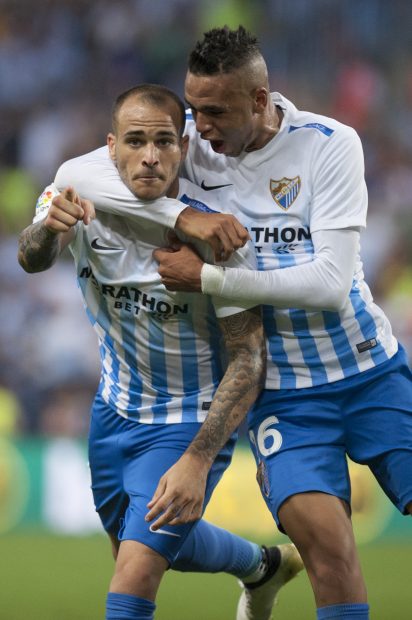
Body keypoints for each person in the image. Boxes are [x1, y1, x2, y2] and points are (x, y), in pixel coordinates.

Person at [54, 27, 412, 620]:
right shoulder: (192, 143)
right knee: (328, 549)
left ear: (259, 99)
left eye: (216, 111)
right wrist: (185, 213)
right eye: (194, 109)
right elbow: (76, 173)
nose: (201, 126)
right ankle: (267, 569)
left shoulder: (329, 143)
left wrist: (212, 280)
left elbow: (328, 284)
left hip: (368, 367)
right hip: (284, 393)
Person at [18, 84, 303, 620]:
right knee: (132, 548)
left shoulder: (216, 234)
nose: (150, 156)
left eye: (164, 142)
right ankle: (262, 567)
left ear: (183, 146)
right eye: (135, 141)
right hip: (113, 412)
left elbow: (249, 358)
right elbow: (32, 258)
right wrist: (43, 230)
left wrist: (197, 460)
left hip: (185, 420)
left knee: (134, 576)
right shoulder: (76, 193)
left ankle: (257, 565)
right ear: (111, 147)